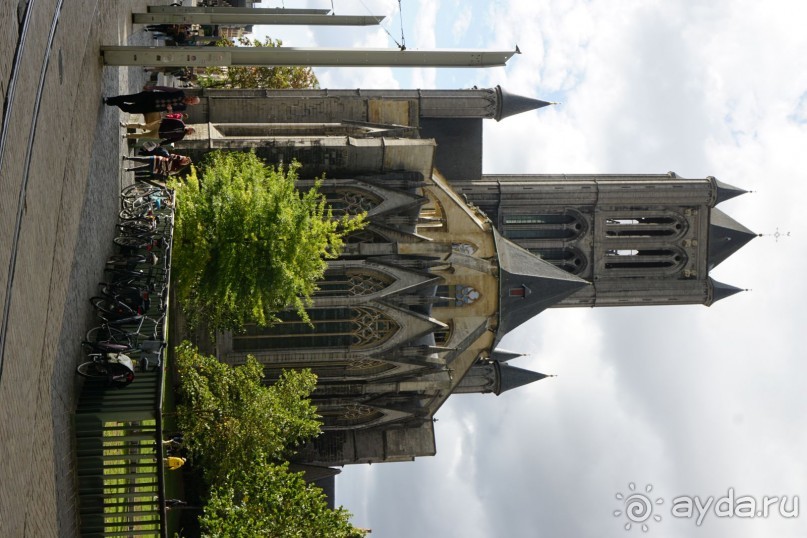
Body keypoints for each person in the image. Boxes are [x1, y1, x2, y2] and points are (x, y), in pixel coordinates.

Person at [104, 86, 200, 114]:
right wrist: (151, 88)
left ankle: (115, 102)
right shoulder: (180, 92)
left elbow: (170, 114)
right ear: (191, 96)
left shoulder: (183, 108)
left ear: (192, 105)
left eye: (192, 102)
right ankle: (109, 100)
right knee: (128, 98)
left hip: (151, 108)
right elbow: (165, 88)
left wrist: (170, 109)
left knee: (129, 109)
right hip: (150, 97)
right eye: (192, 99)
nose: (190, 100)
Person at [124, 117, 195, 145]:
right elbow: (169, 120)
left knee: (142, 136)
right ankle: (126, 125)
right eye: (190, 131)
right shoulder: (180, 123)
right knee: (141, 125)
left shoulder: (181, 136)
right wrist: (160, 121)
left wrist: (161, 144)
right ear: (190, 128)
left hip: (158, 135)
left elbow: (170, 140)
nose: (189, 133)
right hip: (159, 126)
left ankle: (127, 135)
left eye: (190, 133)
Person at [124, 154, 191, 180]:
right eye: (186, 160)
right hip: (156, 159)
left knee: (142, 168)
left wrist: (160, 171)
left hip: (156, 169)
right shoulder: (178, 158)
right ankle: (128, 158)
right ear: (184, 158)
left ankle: (129, 169)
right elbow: (171, 155)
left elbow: (168, 173)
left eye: (186, 163)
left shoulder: (177, 169)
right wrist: (181, 157)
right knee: (142, 159)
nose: (185, 162)